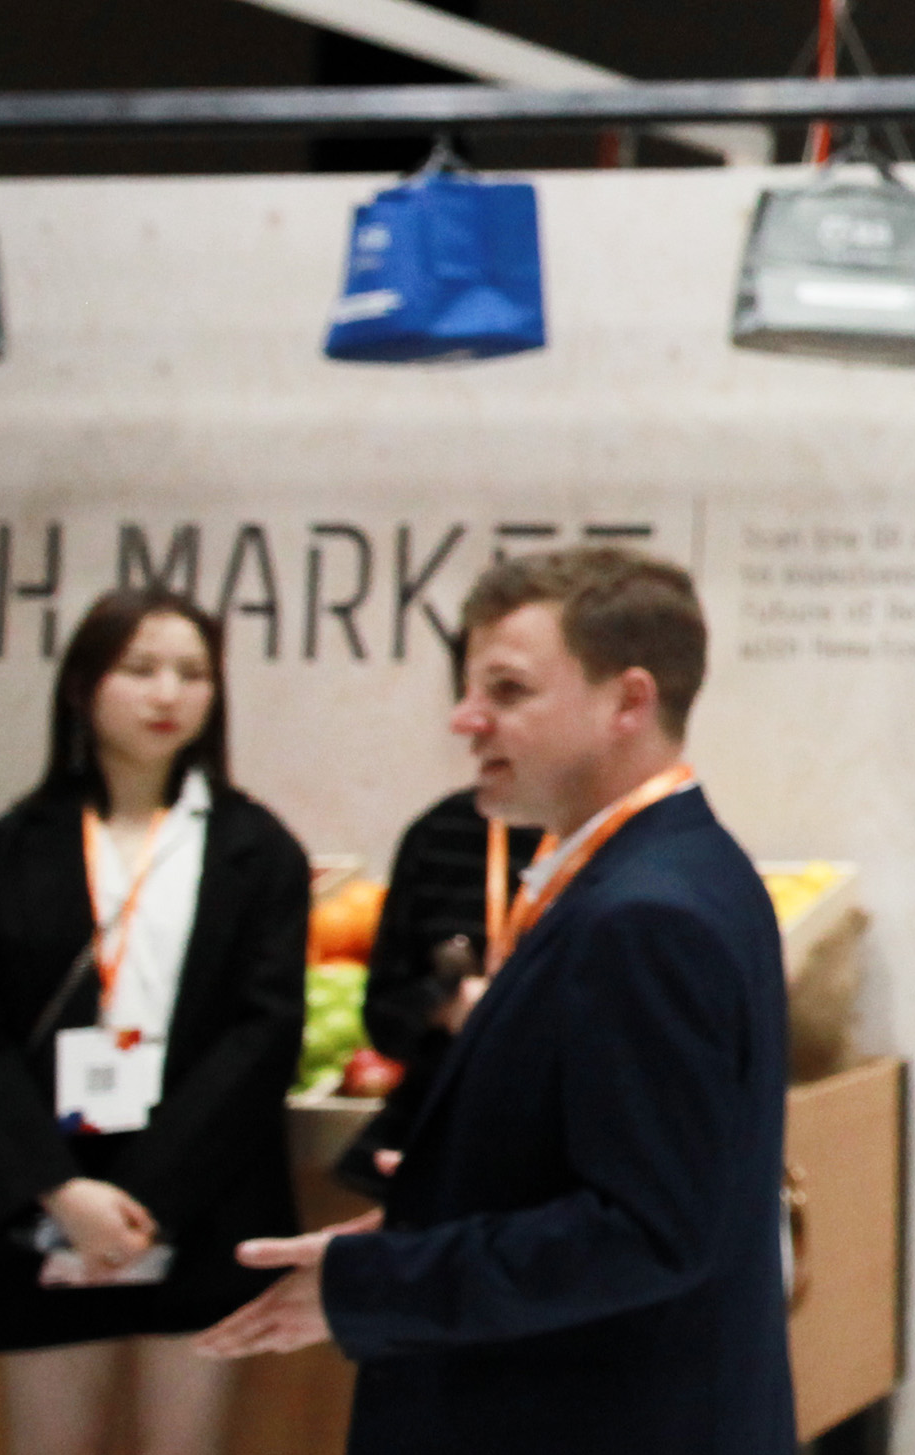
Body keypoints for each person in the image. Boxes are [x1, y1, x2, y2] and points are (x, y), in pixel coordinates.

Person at [193, 545, 794, 1452]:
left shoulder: (647, 911)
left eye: (507, 691)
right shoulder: (663, 869)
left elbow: (645, 1231)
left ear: (628, 701)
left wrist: (377, 1283)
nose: (465, 719)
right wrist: (431, 1214)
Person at [0, 588, 311, 1455]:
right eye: (139, 668)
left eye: (193, 672)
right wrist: (64, 1192)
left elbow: (264, 1033)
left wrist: (147, 1197)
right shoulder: (7, 849)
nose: (167, 693)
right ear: (82, 685)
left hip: (202, 1195)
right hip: (52, 1194)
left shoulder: (259, 848)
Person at [332, 766, 534, 1199]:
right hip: (445, 1134)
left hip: (570, 1145)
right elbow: (384, 1015)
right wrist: (445, 1003)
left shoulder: (644, 834)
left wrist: (515, 1009)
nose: (470, 730)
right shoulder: (445, 830)